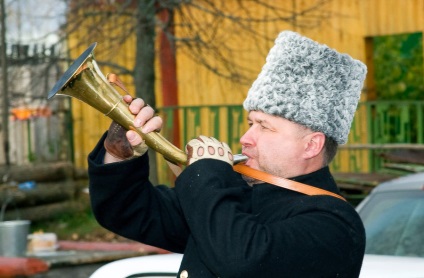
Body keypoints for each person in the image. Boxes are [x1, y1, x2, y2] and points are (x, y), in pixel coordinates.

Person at [88, 31, 367, 277]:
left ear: (311, 145)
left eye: (264, 127)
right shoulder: (237, 194)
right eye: (250, 123)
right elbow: (128, 213)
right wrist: (119, 153)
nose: (245, 138)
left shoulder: (335, 224)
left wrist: (208, 172)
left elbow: (243, 260)